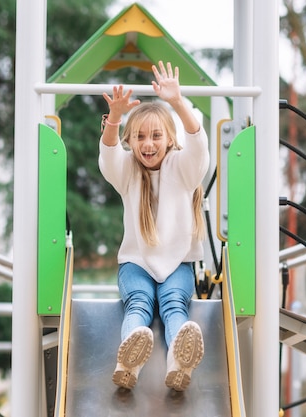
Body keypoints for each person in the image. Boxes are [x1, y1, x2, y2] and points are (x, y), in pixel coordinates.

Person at [98, 61, 208, 391]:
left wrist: (176, 102)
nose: (148, 144)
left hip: (178, 264)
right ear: (130, 141)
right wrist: (115, 118)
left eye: (156, 136)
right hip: (136, 263)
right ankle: (128, 361)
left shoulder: (182, 168)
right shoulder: (127, 170)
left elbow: (198, 144)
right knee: (139, 302)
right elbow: (108, 154)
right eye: (140, 137)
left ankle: (179, 363)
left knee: (175, 304)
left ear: (169, 138)